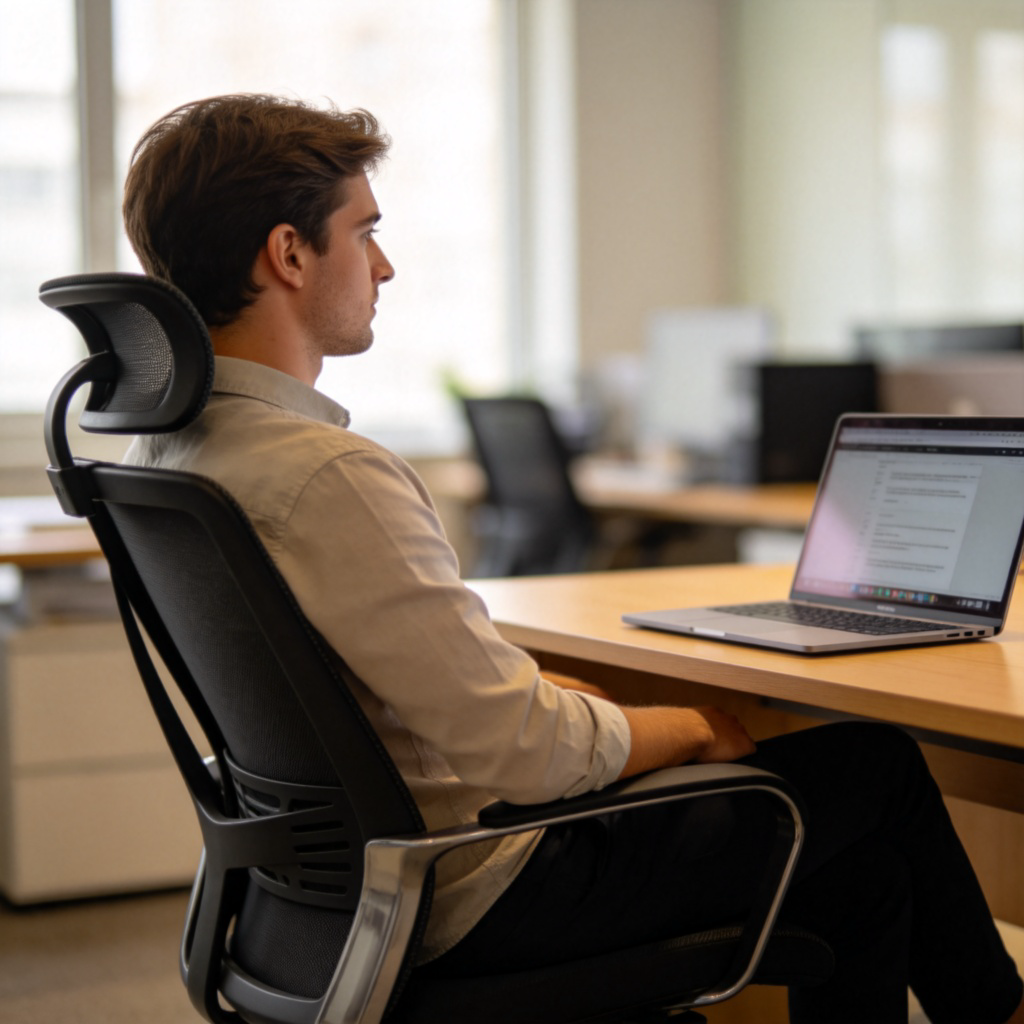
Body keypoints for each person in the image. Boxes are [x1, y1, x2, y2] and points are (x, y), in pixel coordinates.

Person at [121, 93, 1023, 1024]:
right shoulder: (327, 474)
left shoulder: (174, 452)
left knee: (860, 880)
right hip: (483, 886)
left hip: (337, 897)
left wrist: (575, 700)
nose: (385, 266)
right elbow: (526, 752)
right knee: (876, 763)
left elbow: (410, 694)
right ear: (290, 253)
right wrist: (691, 726)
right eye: (366, 232)